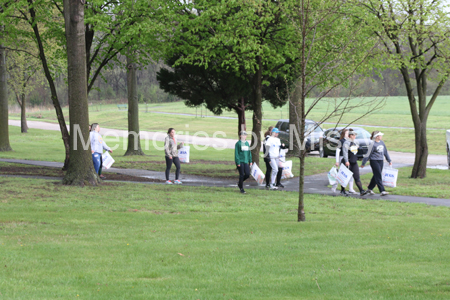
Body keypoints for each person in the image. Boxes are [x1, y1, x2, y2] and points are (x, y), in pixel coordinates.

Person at [361, 131, 392, 196]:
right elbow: (368, 154)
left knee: (376, 175)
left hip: (380, 160)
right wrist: (363, 163)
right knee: (378, 175)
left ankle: (369, 188)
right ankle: (382, 190)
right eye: (380, 135)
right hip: (374, 161)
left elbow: (385, 152)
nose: (381, 136)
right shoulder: (372, 144)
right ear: (377, 137)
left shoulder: (382, 143)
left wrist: (389, 160)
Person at [331, 129, 357, 195]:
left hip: (349, 159)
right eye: (347, 133)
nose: (348, 135)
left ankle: (351, 188)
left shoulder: (350, 141)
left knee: (350, 173)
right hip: (342, 158)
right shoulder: (341, 141)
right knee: (343, 174)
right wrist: (337, 161)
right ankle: (335, 185)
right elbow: (338, 151)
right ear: (344, 134)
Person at [342, 130, 367, 196]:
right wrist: (346, 161)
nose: (354, 136)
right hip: (347, 161)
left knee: (357, 176)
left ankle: (361, 190)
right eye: (352, 135)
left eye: (355, 135)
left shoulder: (356, 142)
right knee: (346, 177)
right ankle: (342, 190)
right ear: (349, 136)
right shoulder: (346, 143)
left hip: (354, 161)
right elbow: (345, 152)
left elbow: (357, 151)